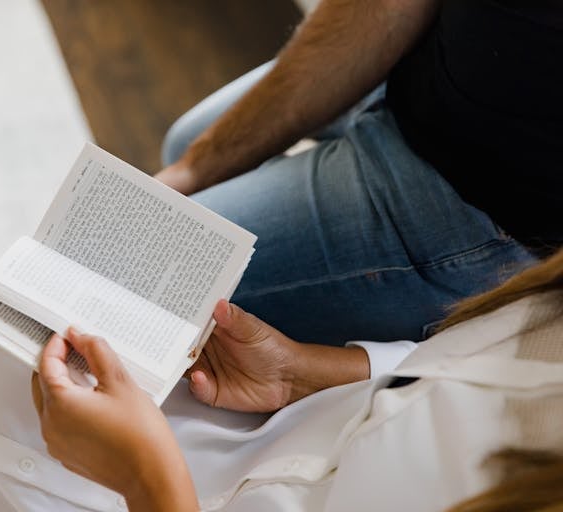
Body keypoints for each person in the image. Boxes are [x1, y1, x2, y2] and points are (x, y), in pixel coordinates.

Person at [0, 250, 563, 511]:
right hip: (274, 440)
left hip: (174, 492)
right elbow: (449, 375)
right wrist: (307, 373)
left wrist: (147, 479)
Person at [151, 0, 561, 376]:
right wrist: (196, 166)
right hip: (426, 63)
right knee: (183, 143)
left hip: (481, 207)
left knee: (144, 276)